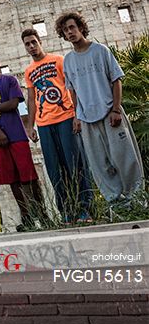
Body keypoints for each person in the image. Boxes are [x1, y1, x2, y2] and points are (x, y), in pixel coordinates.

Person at [55, 12, 144, 205]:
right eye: (65, 30)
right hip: (86, 118)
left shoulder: (100, 50)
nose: (69, 32)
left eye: (72, 27)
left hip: (109, 113)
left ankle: (136, 197)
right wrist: (77, 116)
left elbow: (116, 80)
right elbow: (73, 92)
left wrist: (116, 109)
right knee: (99, 164)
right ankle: (115, 201)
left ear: (80, 27)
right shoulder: (68, 60)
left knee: (124, 157)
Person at [21, 27, 92, 222]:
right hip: (44, 124)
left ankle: (85, 209)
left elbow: (72, 88)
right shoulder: (29, 72)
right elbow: (31, 99)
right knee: (55, 170)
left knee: (75, 164)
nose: (31, 46)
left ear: (40, 41)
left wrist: (78, 115)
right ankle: (66, 212)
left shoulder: (59, 60)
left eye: (34, 42)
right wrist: (30, 126)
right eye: (27, 44)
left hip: (66, 117)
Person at [0, 49, 46, 231]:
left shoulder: (10, 80)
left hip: (16, 134)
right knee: (13, 180)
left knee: (29, 177)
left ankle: (43, 213)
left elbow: (14, 103)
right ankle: (27, 217)